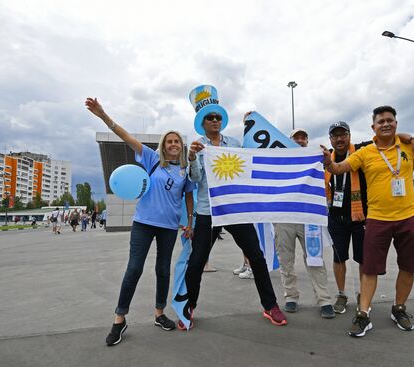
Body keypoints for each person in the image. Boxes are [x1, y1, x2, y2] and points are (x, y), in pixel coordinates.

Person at [86, 97, 195, 346]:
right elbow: (125, 136)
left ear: (181, 145)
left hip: (169, 227)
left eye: (177, 141)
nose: (173, 144)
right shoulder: (150, 158)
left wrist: (189, 222)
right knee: (134, 268)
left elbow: (188, 196)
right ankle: (119, 318)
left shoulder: (186, 169)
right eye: (169, 141)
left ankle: (159, 313)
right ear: (164, 146)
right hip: (144, 224)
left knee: (162, 270)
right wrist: (104, 115)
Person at [322, 105, 414, 337]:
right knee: (370, 269)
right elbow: (340, 167)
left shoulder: (408, 147)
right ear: (373, 127)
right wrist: (328, 163)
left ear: (396, 123)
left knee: (408, 266)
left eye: (389, 120)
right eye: (380, 121)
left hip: (409, 217)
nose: (385, 123)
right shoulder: (365, 152)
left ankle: (399, 308)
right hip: (376, 220)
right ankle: (363, 315)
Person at [185, 85, 287, 329]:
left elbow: (250, 165)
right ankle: (188, 306)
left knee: (256, 257)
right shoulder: (197, 147)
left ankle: (270, 306)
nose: (215, 120)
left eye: (218, 116)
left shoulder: (234, 143)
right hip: (207, 210)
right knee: (197, 261)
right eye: (210, 117)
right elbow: (196, 179)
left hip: (235, 209)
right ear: (202, 122)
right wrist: (191, 158)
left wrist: (251, 126)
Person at [274, 128, 335, 318]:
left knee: (315, 258)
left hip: (307, 217)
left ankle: (324, 299)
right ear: (289, 141)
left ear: (307, 141)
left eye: (303, 138)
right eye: (296, 138)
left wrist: (326, 158)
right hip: (284, 217)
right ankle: (291, 296)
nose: (300, 141)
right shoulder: (280, 159)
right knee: (286, 260)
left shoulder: (315, 159)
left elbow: (330, 168)